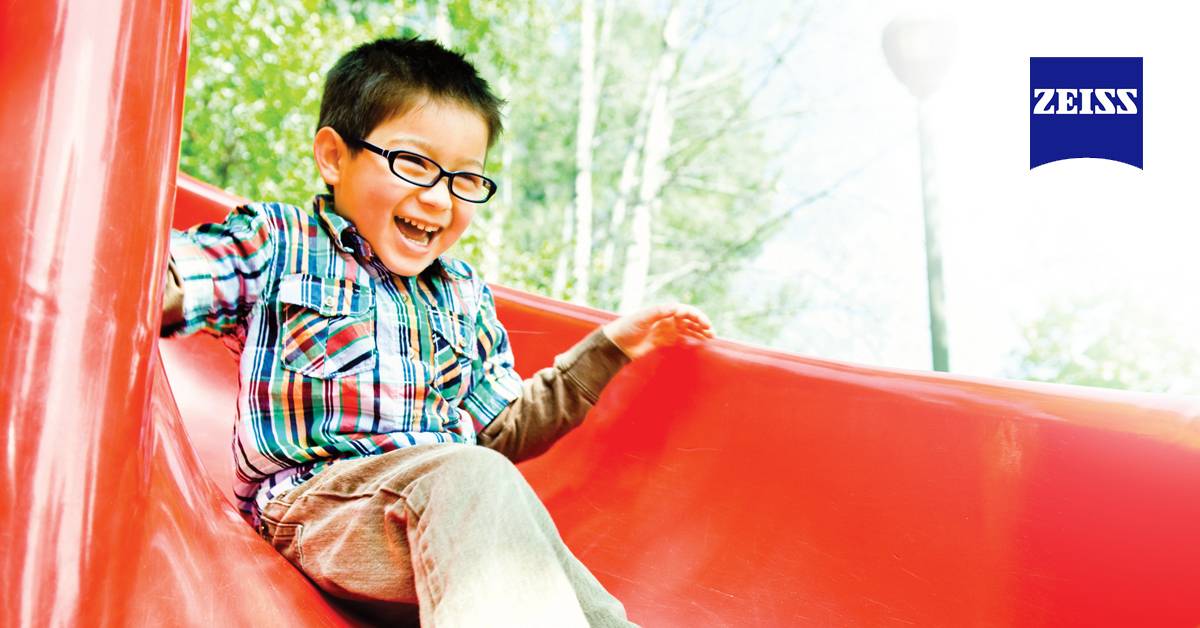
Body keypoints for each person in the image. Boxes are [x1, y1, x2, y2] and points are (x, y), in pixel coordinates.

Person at [160, 37, 713, 626]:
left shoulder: (463, 293)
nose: (438, 198)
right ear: (334, 157)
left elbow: (500, 429)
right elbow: (179, 275)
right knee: (471, 477)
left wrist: (613, 347)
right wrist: (160, 276)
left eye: (465, 179)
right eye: (415, 164)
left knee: (583, 599)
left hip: (445, 520)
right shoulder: (283, 243)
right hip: (320, 510)